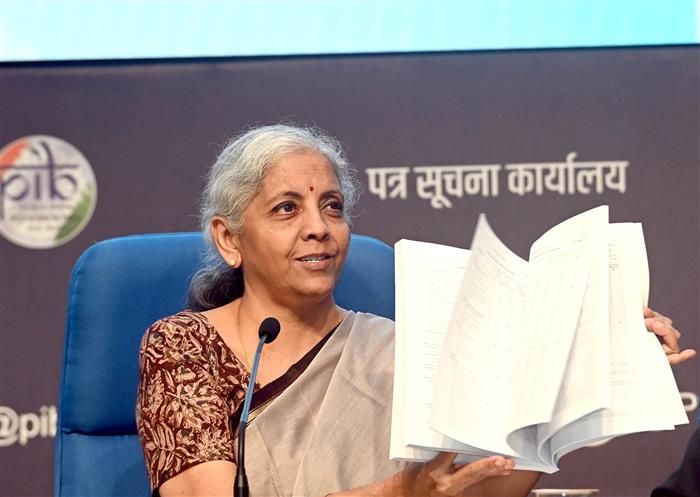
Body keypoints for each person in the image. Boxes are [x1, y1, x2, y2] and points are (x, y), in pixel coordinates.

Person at [136, 124, 695, 497]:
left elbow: (486, 482)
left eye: (332, 206)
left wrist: (606, 367)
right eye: (287, 208)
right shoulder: (185, 347)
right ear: (229, 238)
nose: (319, 227)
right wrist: (400, 493)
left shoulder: (397, 351)